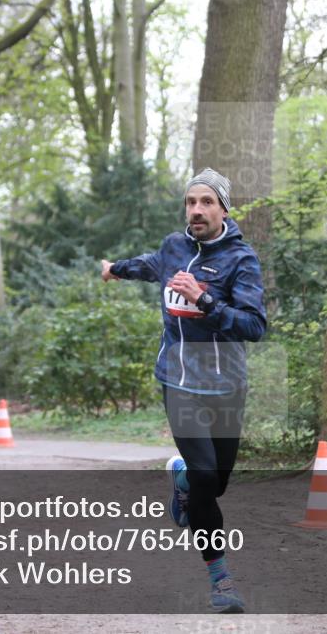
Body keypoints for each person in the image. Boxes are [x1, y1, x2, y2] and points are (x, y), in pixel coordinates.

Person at [101, 168, 266, 614]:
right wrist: (114, 269)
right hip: (179, 382)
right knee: (207, 482)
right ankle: (222, 580)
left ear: (223, 209)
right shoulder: (174, 246)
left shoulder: (241, 260)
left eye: (206, 202)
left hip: (227, 386)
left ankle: (183, 484)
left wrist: (205, 299)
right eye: (191, 201)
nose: (196, 209)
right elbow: (149, 264)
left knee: (218, 481)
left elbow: (254, 325)